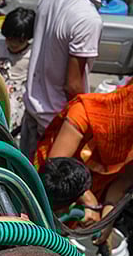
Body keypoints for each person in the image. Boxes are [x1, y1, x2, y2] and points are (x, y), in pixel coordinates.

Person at [20, 0, 133, 160]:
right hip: (54, 119)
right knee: (42, 184)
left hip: (32, 105)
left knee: (22, 173)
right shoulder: (88, 19)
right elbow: (73, 84)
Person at [36, 82, 133, 244]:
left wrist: (107, 218)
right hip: (54, 188)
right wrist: (90, 202)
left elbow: (123, 181)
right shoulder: (85, 111)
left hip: (89, 195)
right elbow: (56, 168)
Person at [0, 7, 34, 135]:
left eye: (19, 40)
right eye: (10, 38)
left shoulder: (31, 54)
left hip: (18, 97)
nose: (13, 44)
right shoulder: (0, 46)